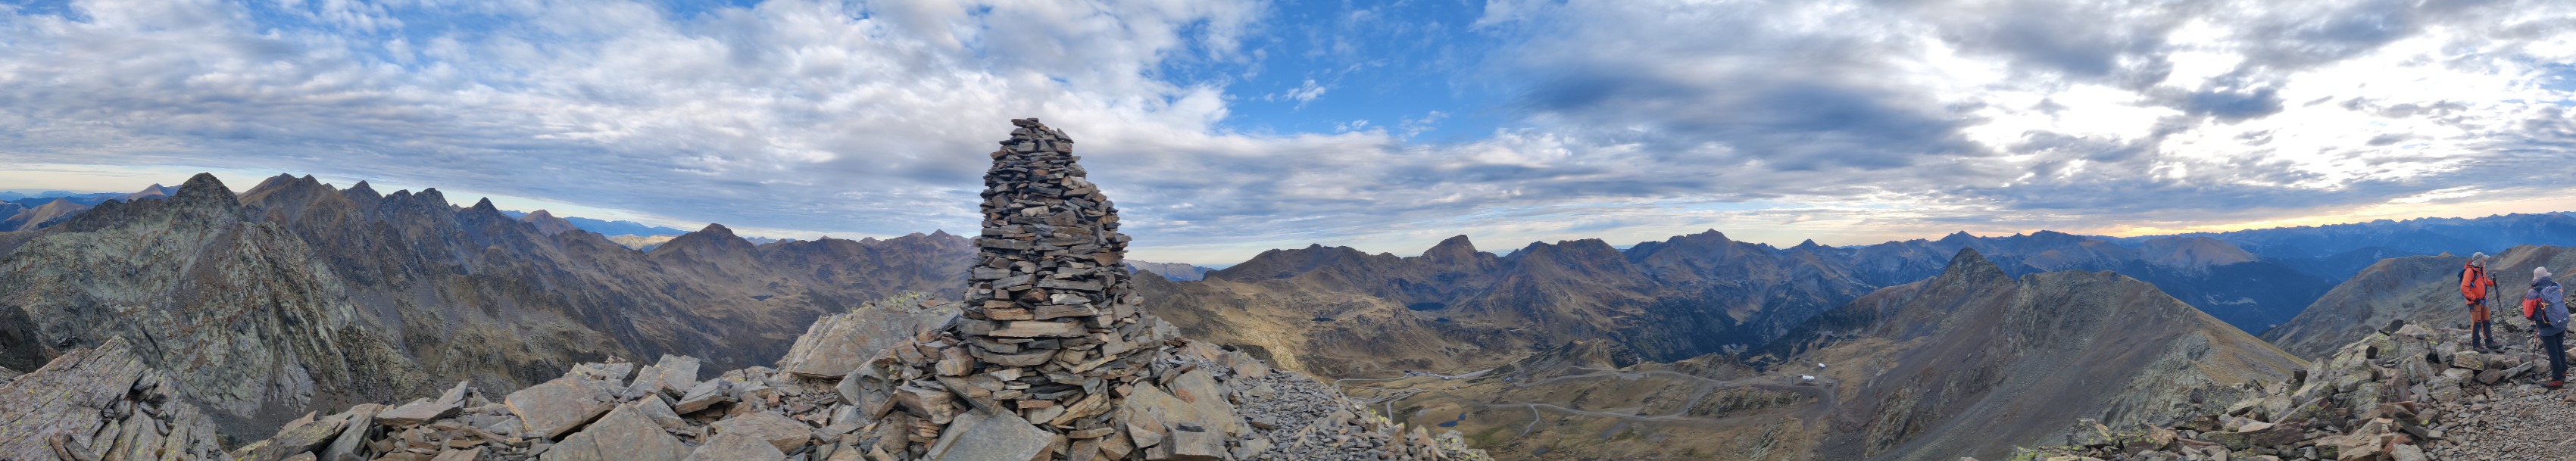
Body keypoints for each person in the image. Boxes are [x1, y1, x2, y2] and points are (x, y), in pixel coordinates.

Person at [2531, 266, 2568, 388]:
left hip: (2546, 327)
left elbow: (2528, 313)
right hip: (2560, 323)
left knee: (2553, 353)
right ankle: (2563, 371)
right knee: (2560, 347)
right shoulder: (2557, 286)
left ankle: (2557, 380)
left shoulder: (2533, 293)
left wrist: (2536, 318)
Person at [2462, 253, 2500, 350]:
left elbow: (2485, 281)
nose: (2485, 261)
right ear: (2479, 261)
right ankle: (2476, 345)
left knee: (2486, 321)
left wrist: (2492, 283)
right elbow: (2464, 288)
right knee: (2476, 323)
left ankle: (2489, 342)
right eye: (2484, 260)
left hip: (2483, 300)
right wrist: (2474, 298)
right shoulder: (2470, 271)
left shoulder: (2482, 269)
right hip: (2475, 302)